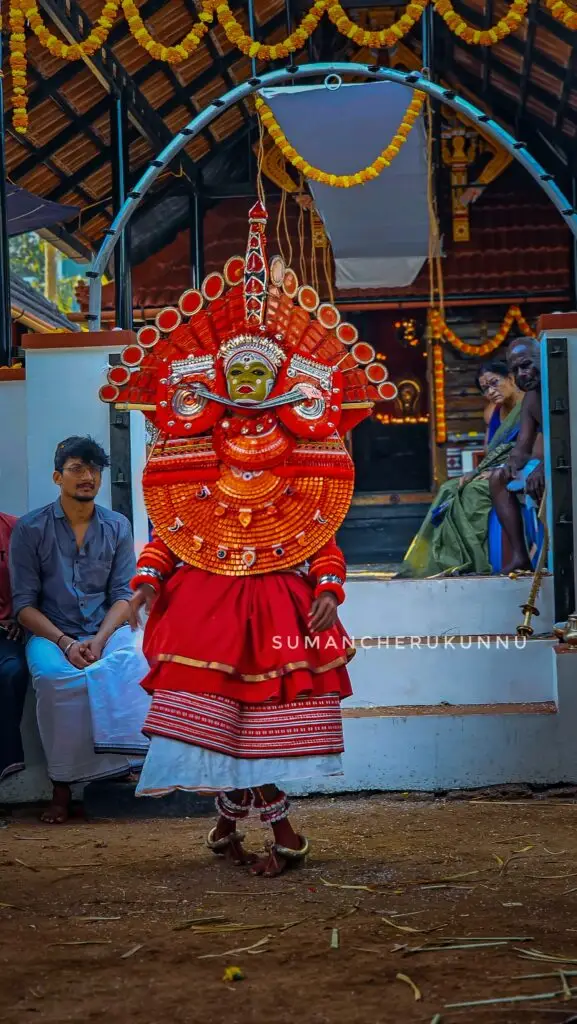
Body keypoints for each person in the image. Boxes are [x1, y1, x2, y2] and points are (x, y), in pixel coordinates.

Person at [98, 201, 376, 877]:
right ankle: (262, 832)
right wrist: (143, 587)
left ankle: (256, 833)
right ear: (218, 386)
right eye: (239, 379)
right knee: (218, 726)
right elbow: (168, 536)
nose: (249, 391)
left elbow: (318, 540)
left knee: (248, 730)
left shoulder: (304, 464)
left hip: (277, 608)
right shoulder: (185, 457)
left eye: (260, 377)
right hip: (202, 610)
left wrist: (329, 590)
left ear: (281, 385)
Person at [9, 436, 150, 823]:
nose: (87, 477)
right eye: (76, 469)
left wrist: (101, 639)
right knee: (55, 679)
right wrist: (65, 642)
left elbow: (123, 594)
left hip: (105, 626)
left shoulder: (117, 526)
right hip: (50, 632)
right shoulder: (30, 528)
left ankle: (127, 769)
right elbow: (24, 606)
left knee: (133, 661)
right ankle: (62, 787)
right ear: (58, 476)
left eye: (93, 470)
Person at [398, 360, 524, 577]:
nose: (491, 391)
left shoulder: (528, 406)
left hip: (518, 470)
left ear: (511, 378)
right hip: (491, 470)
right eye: (485, 388)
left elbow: (529, 448)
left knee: (473, 492)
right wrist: (474, 472)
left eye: (495, 383)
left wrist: (498, 470)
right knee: (450, 487)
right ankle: (439, 558)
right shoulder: (491, 412)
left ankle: (473, 560)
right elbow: (489, 452)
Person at [489, 338, 544, 573]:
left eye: (527, 365)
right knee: (497, 478)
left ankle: (553, 554)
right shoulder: (531, 399)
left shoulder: (566, 384)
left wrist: (544, 468)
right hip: (545, 463)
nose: (522, 374)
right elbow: (523, 446)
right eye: (515, 370)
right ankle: (521, 557)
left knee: (542, 481)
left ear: (542, 360)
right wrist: (511, 465)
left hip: (564, 463)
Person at [0, 512, 28, 784]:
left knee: (11, 671)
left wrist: (21, 614)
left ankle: (6, 765)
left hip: (5, 632)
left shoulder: (14, 527)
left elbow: (29, 582)